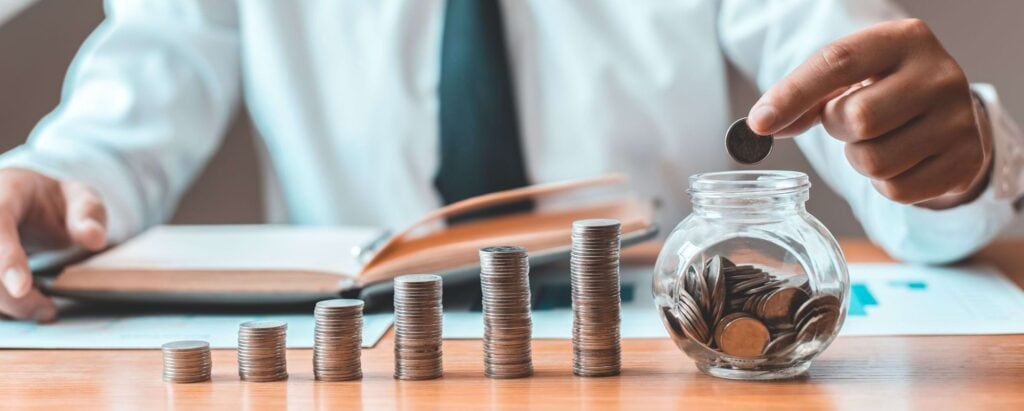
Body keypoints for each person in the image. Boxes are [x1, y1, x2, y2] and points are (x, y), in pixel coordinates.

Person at [0, 0, 1020, 322]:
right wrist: (47, 182)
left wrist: (951, 161)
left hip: (650, 359)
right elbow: (134, 105)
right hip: (360, 365)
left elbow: (858, 93)